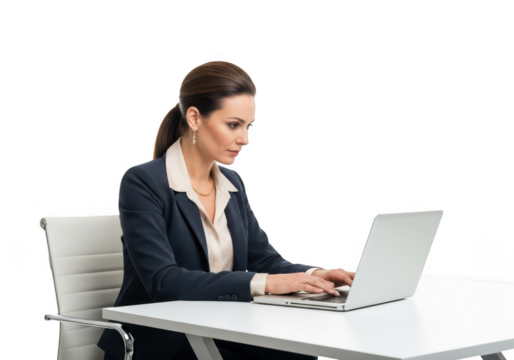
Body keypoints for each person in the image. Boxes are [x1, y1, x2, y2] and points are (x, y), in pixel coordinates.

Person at [97, 60, 355, 360]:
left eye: (248, 126)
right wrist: (267, 284)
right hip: (164, 342)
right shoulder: (143, 181)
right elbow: (163, 281)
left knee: (312, 352)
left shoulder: (231, 182)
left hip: (224, 327)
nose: (245, 139)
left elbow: (263, 259)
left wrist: (316, 274)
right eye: (233, 124)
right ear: (194, 117)